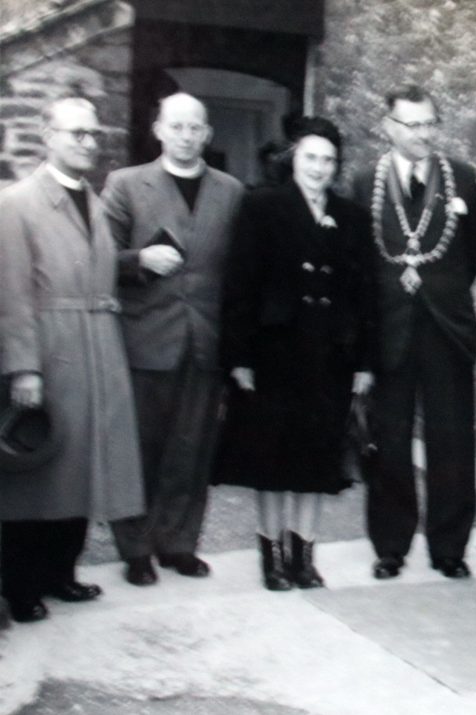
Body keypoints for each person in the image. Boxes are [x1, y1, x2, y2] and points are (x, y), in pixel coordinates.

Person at [0, 98, 144, 622]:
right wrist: (24, 367)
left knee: (85, 471)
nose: (88, 142)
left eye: (92, 133)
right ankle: (20, 585)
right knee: (40, 474)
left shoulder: (93, 200)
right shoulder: (17, 202)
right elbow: (11, 295)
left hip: (98, 348)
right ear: (47, 136)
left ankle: (63, 572)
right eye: (75, 133)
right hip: (52, 350)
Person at [218, 117, 376, 591]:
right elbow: (240, 285)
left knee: (315, 460)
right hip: (275, 353)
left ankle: (304, 555)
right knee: (272, 458)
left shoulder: (352, 218)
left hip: (330, 356)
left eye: (328, 160)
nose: (319, 168)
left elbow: (365, 294)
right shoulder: (262, 206)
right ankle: (271, 557)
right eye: (311, 157)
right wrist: (239, 357)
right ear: (293, 160)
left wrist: (365, 362)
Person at [103, 93, 245, 587]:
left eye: (195, 128)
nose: (186, 136)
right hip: (145, 341)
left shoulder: (230, 191)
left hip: (204, 343)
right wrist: (138, 261)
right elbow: (97, 257)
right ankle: (136, 549)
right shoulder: (125, 185)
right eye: (176, 126)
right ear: (158, 129)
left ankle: (179, 544)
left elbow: (240, 275)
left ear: (207, 134)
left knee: (193, 450)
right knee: (141, 450)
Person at [351, 84, 476, 580]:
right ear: (387, 127)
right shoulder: (364, 182)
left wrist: (439, 291)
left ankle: (449, 547)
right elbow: (361, 266)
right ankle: (391, 544)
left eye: (429, 123)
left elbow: (471, 252)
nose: (422, 134)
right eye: (411, 124)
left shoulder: (464, 180)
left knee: (451, 439)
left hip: (446, 328)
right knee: (390, 440)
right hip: (390, 330)